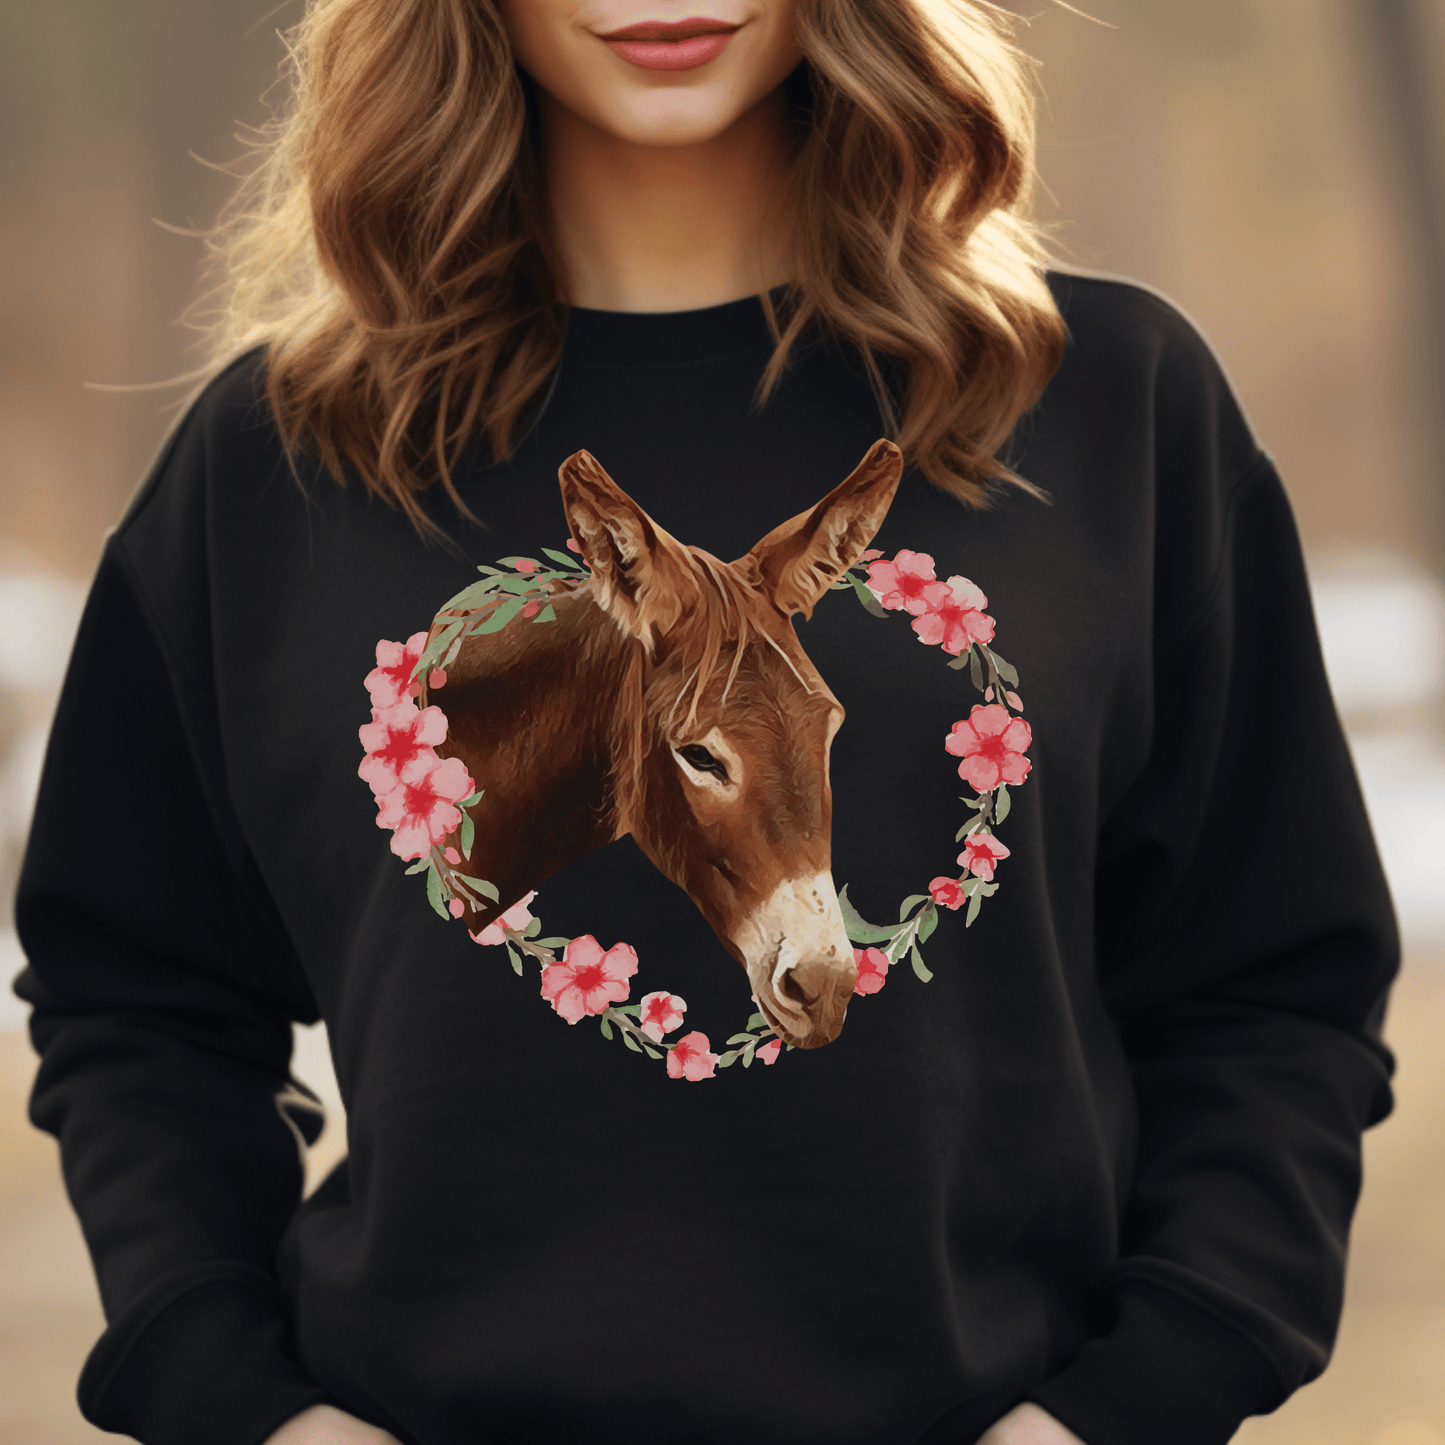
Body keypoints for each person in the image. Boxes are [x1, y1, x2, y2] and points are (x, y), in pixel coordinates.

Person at [13, 2, 1399, 1444]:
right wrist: (244, 1404)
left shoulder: (1111, 409)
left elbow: (1274, 985)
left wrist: (1134, 1396)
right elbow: (139, 999)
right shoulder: (275, 464)